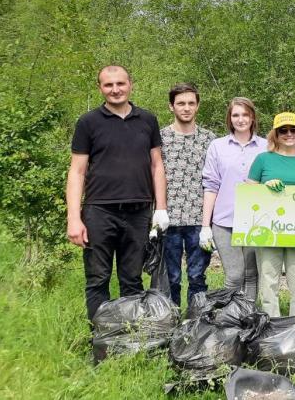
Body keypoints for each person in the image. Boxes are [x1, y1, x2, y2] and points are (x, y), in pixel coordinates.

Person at [66, 65, 169, 321]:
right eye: (109, 85)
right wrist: (73, 218)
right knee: (98, 279)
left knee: (132, 279)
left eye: (120, 84)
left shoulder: (148, 120)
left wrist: (161, 208)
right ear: (100, 88)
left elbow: (157, 166)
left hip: (138, 213)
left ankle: (129, 339)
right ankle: (100, 340)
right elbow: (77, 172)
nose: (115, 90)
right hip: (99, 212)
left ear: (130, 84)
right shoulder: (88, 122)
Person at [247, 112, 295, 317]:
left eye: (293, 129)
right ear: (275, 134)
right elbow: (249, 194)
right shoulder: (263, 160)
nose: (289, 134)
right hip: (268, 231)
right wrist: (265, 187)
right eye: (283, 130)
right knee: (269, 282)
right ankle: (272, 327)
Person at [200, 97, 266, 302]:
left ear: (252, 117)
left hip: (256, 222)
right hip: (224, 221)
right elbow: (211, 186)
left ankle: (248, 317)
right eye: (236, 115)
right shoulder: (217, 146)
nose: (241, 119)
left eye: (245, 114)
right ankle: (229, 317)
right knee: (235, 275)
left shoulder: (266, 146)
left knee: (251, 275)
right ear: (229, 118)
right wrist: (205, 226)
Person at [159, 83, 215, 307]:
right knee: (170, 278)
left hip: (200, 220)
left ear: (198, 106)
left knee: (197, 277)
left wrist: (209, 223)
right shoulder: (160, 138)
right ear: (171, 106)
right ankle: (170, 321)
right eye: (181, 103)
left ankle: (195, 324)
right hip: (168, 219)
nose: (186, 108)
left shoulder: (210, 139)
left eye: (191, 103)